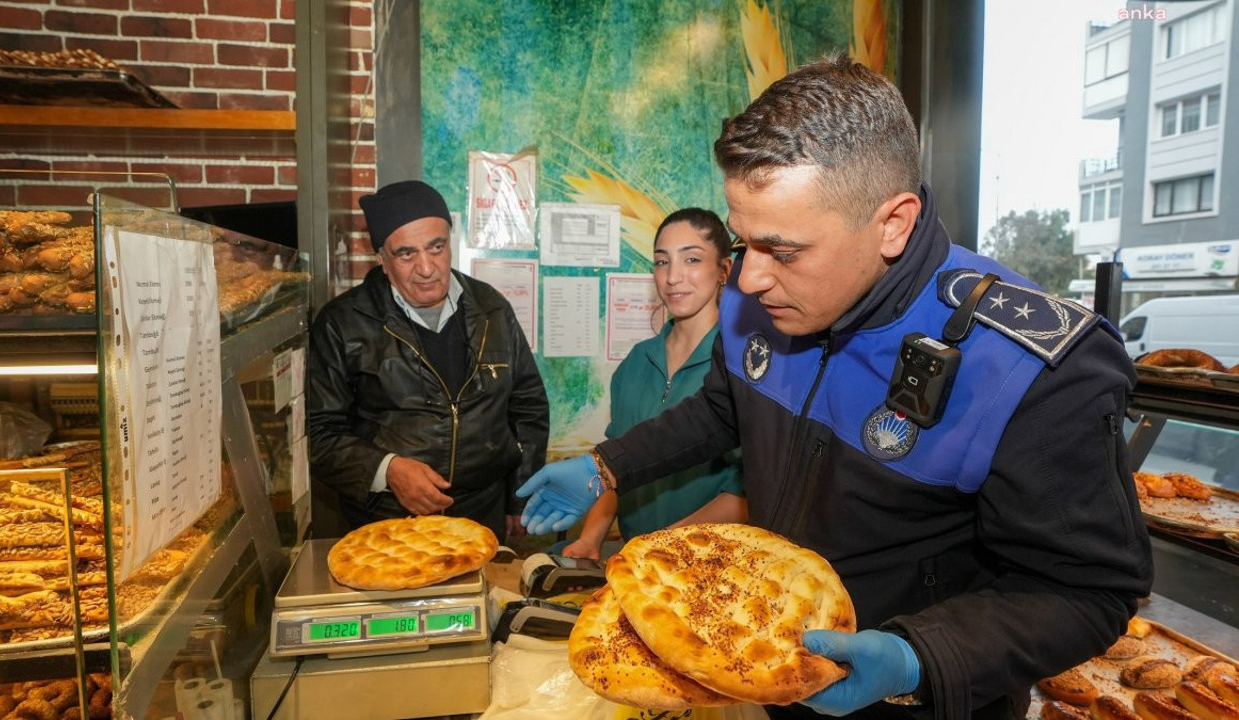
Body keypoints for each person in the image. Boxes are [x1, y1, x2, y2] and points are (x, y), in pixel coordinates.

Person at [518, 55, 1152, 719]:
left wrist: (918, 655)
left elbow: (1088, 590)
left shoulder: (1035, 372)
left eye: (782, 250)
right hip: (772, 675)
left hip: (921, 699)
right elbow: (720, 411)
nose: (749, 279)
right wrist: (607, 465)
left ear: (893, 223)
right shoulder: (758, 301)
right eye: (743, 244)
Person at [307, 180, 549, 543]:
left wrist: (518, 497)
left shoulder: (492, 309)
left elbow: (527, 407)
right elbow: (320, 436)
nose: (426, 268)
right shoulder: (342, 323)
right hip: (386, 525)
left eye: (436, 247)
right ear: (383, 261)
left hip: (480, 517)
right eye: (406, 254)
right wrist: (386, 469)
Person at [561, 208, 746, 560]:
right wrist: (590, 538)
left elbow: (748, 496)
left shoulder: (741, 366)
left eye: (691, 259)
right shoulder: (635, 363)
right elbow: (618, 467)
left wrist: (662, 547)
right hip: (638, 564)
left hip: (711, 566)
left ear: (724, 270)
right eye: (662, 262)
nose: (673, 277)